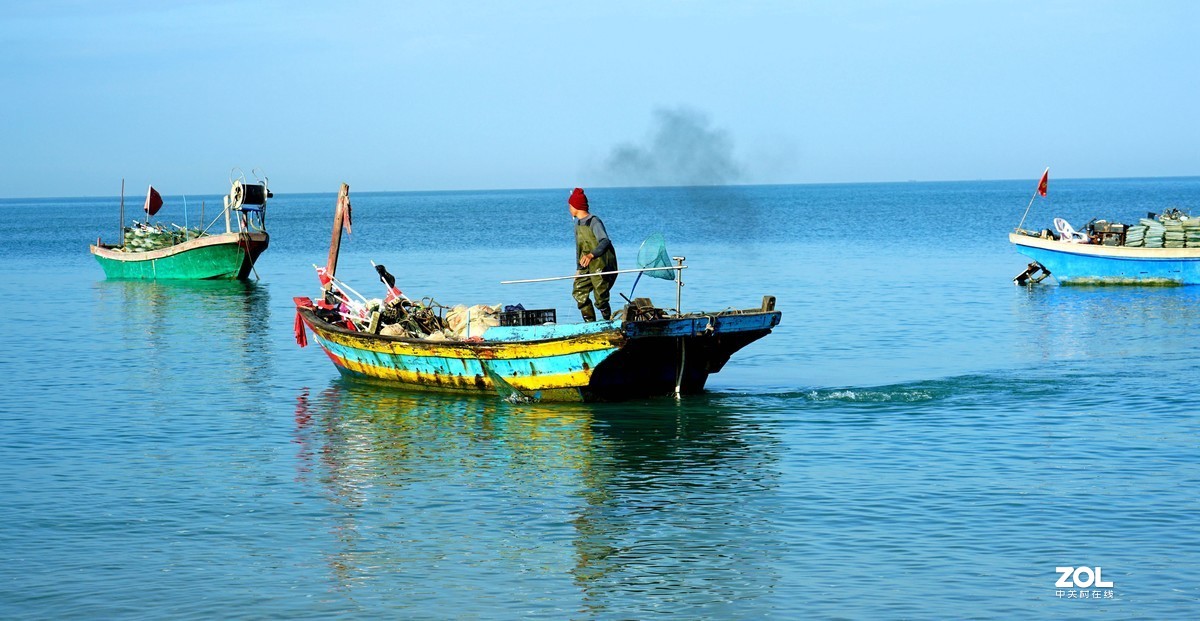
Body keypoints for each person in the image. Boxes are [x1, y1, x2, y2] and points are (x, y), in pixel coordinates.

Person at [567, 188, 618, 321]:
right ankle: (590, 324)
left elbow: (605, 241)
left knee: (600, 298)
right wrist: (578, 269)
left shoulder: (594, 221)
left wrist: (591, 255)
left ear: (576, 206)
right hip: (585, 264)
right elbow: (579, 248)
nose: (569, 208)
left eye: (570, 205)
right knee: (578, 292)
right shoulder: (577, 223)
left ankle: (608, 321)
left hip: (601, 263)